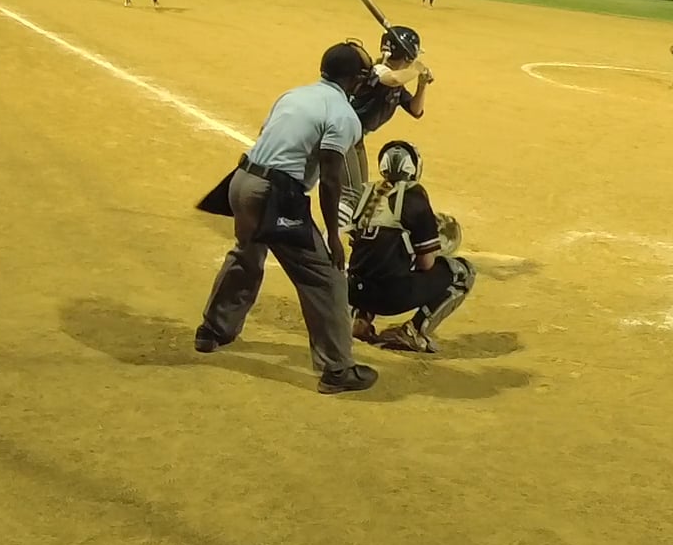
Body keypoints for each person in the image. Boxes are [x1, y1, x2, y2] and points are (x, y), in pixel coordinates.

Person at [192, 42, 379, 394]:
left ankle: (212, 330)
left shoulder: (294, 94)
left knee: (247, 255)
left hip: (240, 181)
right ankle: (337, 370)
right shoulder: (343, 115)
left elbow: (267, 136)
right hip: (273, 194)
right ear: (355, 80)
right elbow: (331, 178)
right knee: (325, 278)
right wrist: (333, 237)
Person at [342, 140, 475, 353]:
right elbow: (426, 264)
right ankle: (413, 331)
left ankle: (360, 321)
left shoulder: (365, 193)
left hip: (353, 291)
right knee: (463, 272)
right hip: (392, 297)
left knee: (372, 261)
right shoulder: (414, 198)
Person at [342, 25, 433, 200]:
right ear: (407, 56)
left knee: (361, 192)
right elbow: (392, 79)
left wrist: (421, 85)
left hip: (356, 138)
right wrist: (417, 69)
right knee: (352, 194)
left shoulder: (396, 84)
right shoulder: (378, 70)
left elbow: (416, 110)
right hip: (342, 134)